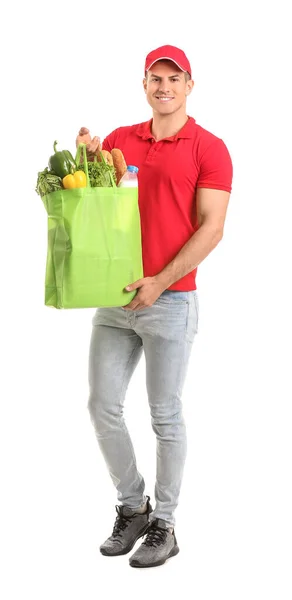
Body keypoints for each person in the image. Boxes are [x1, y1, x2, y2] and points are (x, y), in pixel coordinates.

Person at [76, 44, 233, 569]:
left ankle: (165, 523)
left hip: (171, 299)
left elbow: (212, 227)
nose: (163, 87)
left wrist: (161, 281)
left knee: (165, 415)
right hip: (116, 297)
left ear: (190, 85)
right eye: (154, 78)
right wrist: (84, 158)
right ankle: (133, 506)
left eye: (174, 78)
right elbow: (96, 205)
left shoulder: (209, 148)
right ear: (144, 84)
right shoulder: (122, 140)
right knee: (102, 405)